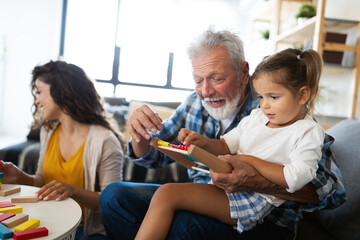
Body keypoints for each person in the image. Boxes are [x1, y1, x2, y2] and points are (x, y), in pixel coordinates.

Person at [100, 28, 346, 240]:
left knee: (182, 224)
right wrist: (140, 135)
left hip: (267, 222)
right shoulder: (200, 104)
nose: (206, 91)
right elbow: (155, 157)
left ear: (243, 72)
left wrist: (257, 179)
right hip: (210, 198)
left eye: (217, 78)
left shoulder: (287, 113)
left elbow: (331, 192)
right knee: (113, 197)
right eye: (198, 80)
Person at [134, 48, 325, 239]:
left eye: (273, 97)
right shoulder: (258, 116)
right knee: (160, 195)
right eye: (260, 97)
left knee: (167, 194)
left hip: (254, 200)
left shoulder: (308, 131)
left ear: (302, 95)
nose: (264, 104)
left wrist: (249, 161)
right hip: (230, 192)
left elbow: (296, 178)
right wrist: (203, 142)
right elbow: (226, 145)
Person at [0, 60, 125, 240]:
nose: (37, 100)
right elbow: (42, 183)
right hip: (49, 221)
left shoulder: (105, 141)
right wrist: (20, 177)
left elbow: (111, 202)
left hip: (85, 231)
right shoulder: (48, 130)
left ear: (60, 92)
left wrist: (73, 190)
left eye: (40, 91)